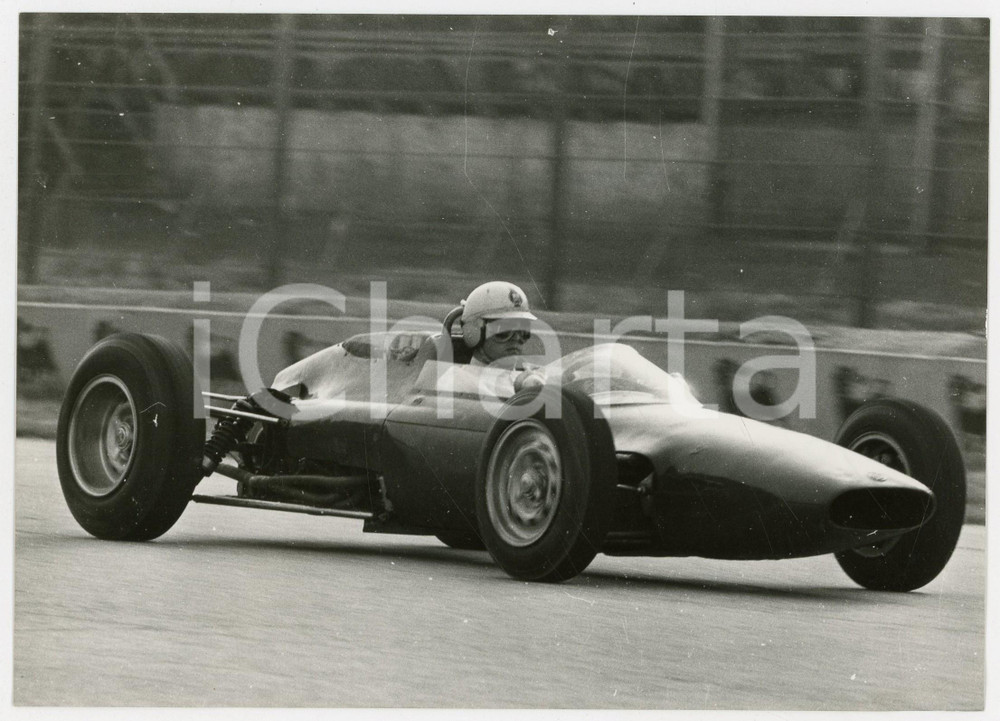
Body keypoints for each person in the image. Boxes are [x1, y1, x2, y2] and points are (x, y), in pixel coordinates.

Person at [459, 281, 537, 368]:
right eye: (504, 330)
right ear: (475, 332)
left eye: (523, 331)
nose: (517, 338)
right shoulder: (459, 378)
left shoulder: (532, 373)